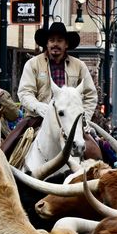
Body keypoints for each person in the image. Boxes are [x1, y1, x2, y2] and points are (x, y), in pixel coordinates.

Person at [8, 21, 100, 157]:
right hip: (38, 119)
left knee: (97, 153)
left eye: (60, 40)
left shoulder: (79, 66)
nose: (55, 44)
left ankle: (103, 173)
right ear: (46, 43)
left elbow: (90, 95)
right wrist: (37, 106)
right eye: (51, 40)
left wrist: (83, 118)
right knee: (9, 148)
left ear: (66, 44)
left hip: (71, 121)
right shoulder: (32, 64)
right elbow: (25, 92)